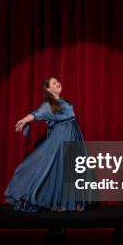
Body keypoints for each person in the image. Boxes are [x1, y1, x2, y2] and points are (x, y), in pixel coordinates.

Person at [5, 76, 93, 212]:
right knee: (53, 169)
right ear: (48, 89)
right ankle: (42, 198)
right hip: (60, 139)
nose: (58, 83)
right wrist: (24, 120)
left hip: (74, 136)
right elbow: (36, 114)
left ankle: (71, 202)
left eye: (58, 81)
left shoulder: (64, 102)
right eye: (54, 83)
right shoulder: (48, 105)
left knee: (71, 169)